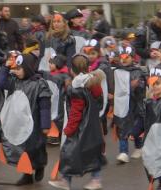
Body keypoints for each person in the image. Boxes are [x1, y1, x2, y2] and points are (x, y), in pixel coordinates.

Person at [48, 54, 105, 190]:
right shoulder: (94, 83)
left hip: (80, 128)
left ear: (72, 70)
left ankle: (65, 181)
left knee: (68, 152)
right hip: (93, 125)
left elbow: (76, 112)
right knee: (93, 152)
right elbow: (100, 103)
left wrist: (69, 129)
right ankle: (96, 180)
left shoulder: (76, 88)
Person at [0, 52, 51, 186]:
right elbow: (0, 83)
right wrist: (6, 67)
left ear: (27, 67)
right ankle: (27, 175)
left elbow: (45, 106)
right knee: (22, 150)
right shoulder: (14, 81)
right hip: (20, 123)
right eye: (14, 69)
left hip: (35, 123)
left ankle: (39, 165)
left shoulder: (39, 83)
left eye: (18, 69)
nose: (16, 72)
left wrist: (45, 124)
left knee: (36, 147)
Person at [113, 45, 146, 163]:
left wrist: (136, 86)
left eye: (127, 57)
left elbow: (141, 86)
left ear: (133, 58)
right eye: (122, 57)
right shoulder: (116, 71)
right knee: (122, 127)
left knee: (134, 127)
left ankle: (139, 147)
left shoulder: (137, 71)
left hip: (135, 105)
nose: (124, 59)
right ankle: (123, 152)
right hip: (121, 104)